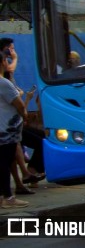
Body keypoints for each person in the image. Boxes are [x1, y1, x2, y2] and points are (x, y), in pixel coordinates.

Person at [0, 51, 29, 208]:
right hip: (7, 131)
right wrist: (24, 116)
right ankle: (9, 198)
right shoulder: (4, 83)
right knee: (5, 163)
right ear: (3, 62)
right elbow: (20, 105)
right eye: (6, 60)